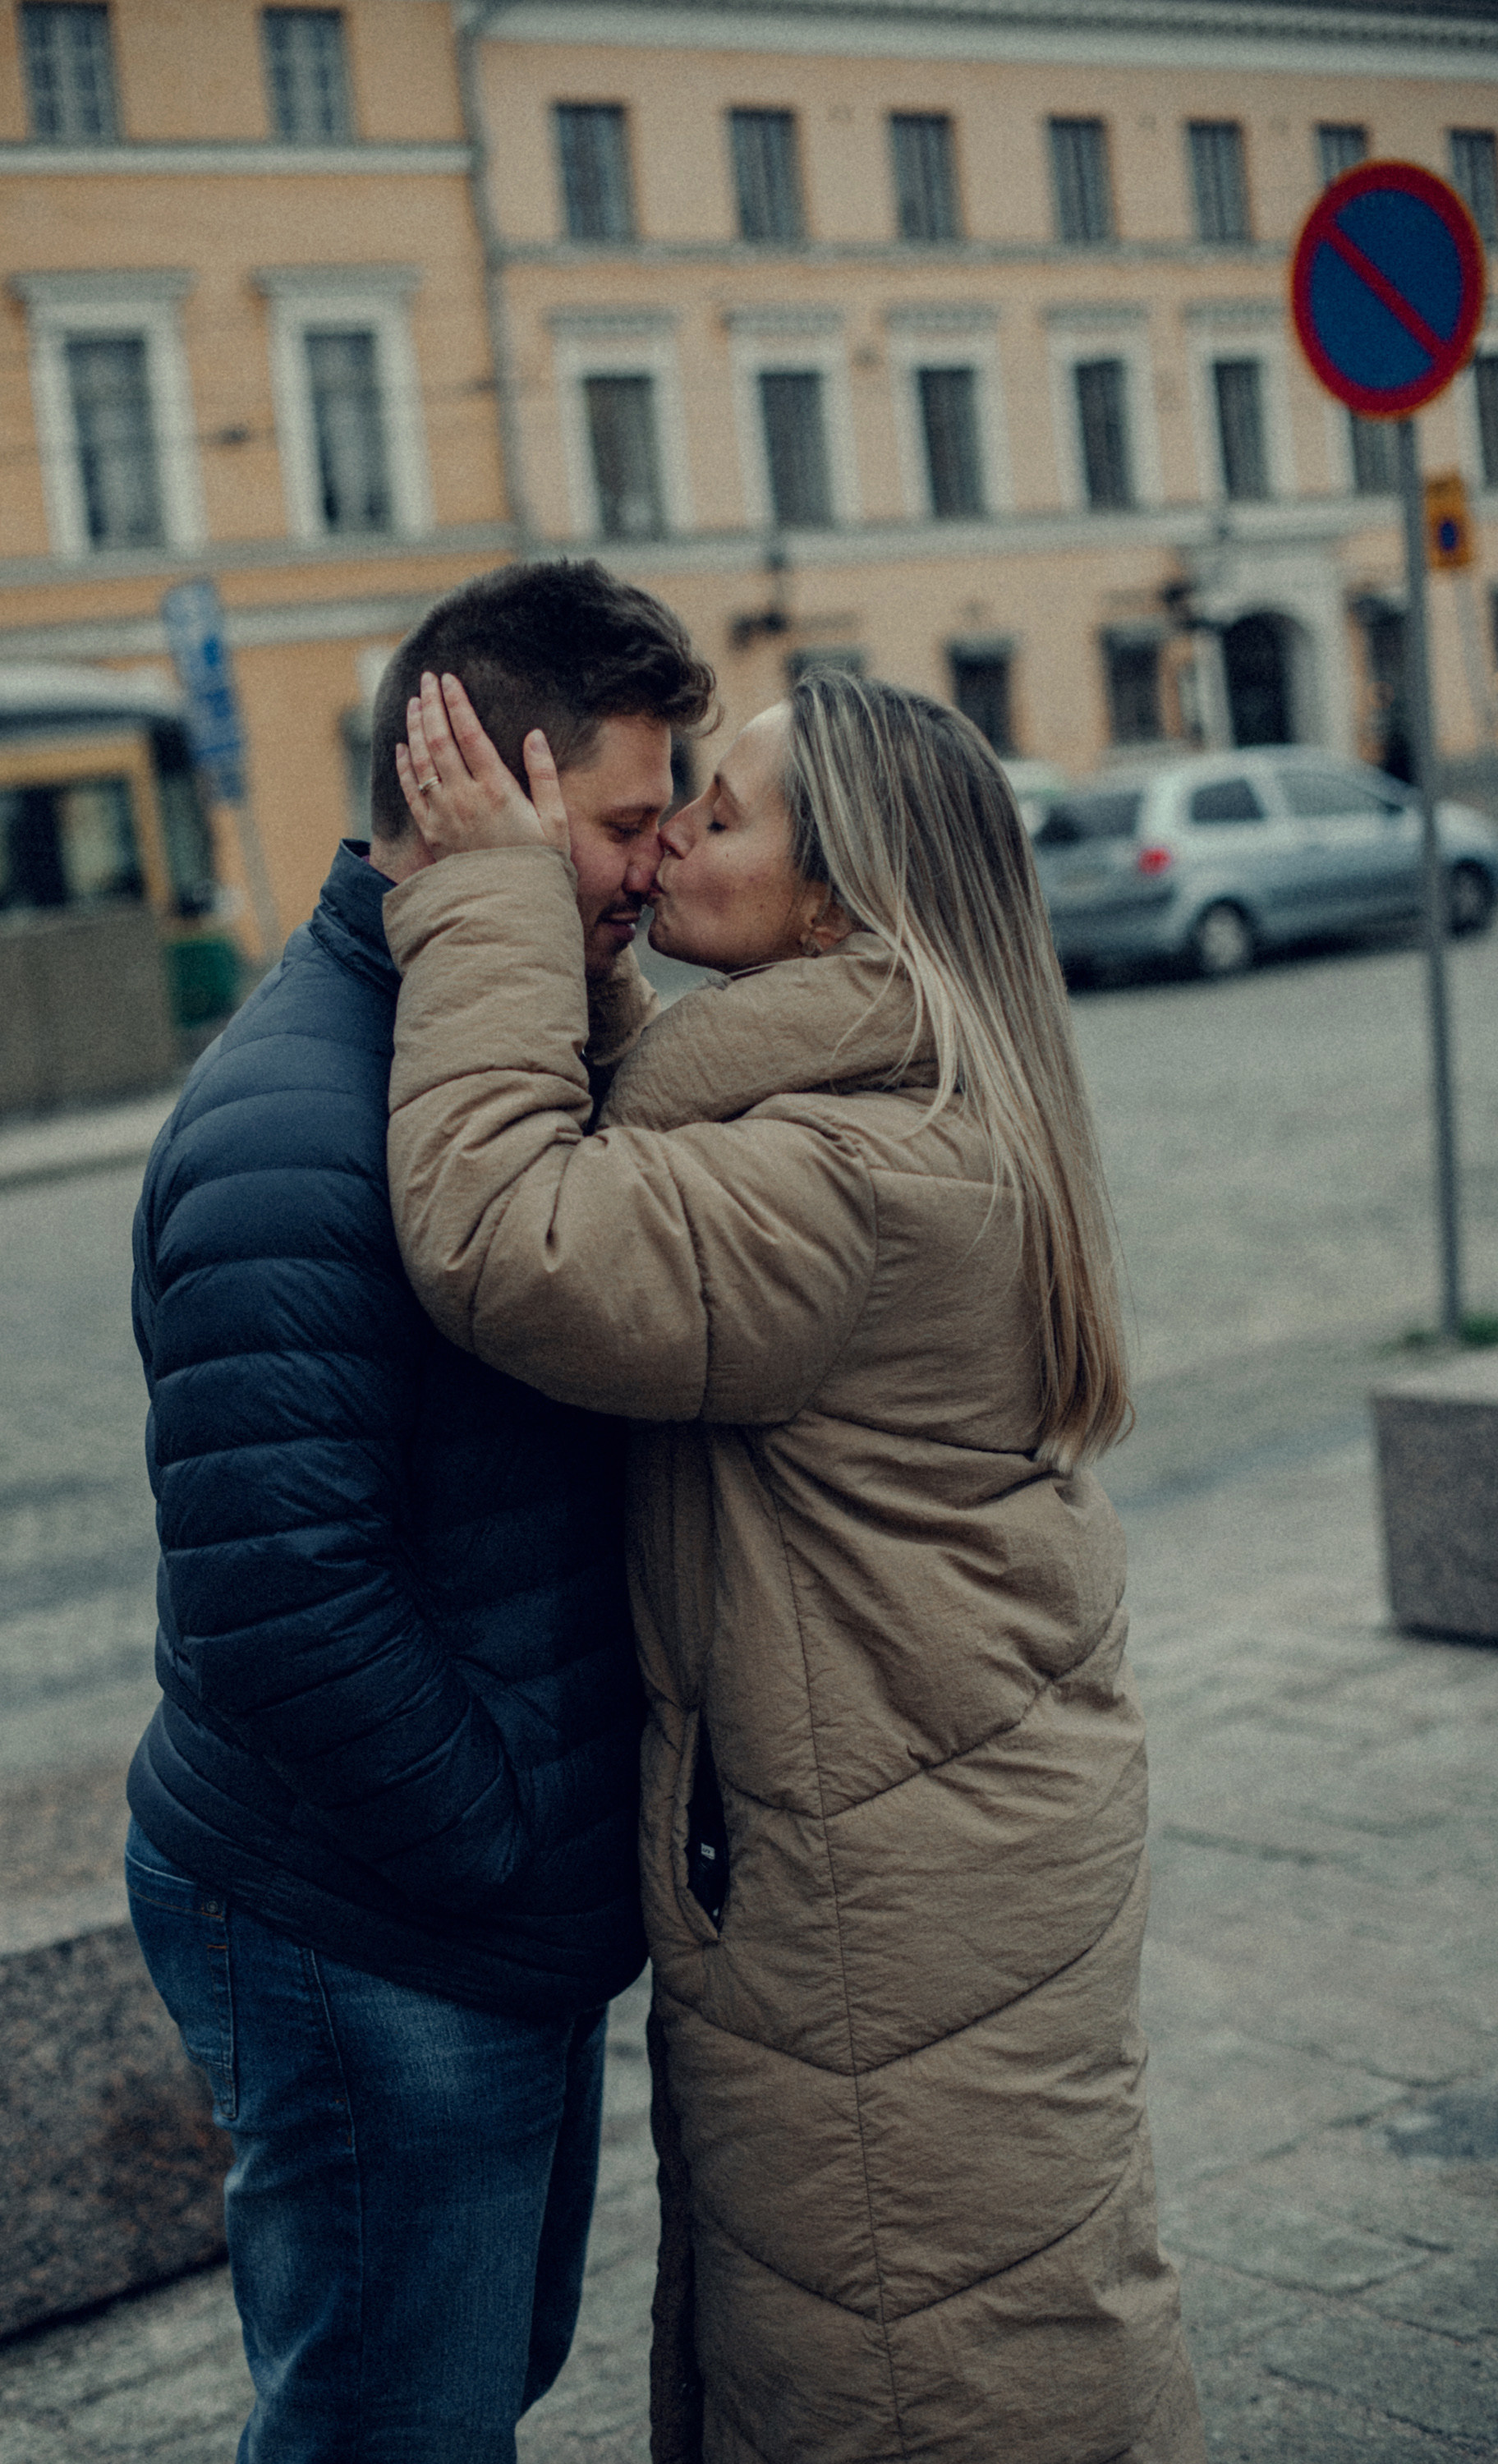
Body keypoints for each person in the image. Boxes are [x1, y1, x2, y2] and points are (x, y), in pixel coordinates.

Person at [379, 667, 1206, 2464]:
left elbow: (508, 1234)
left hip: (891, 1899)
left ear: (836, 901)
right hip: (935, 1844)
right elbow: (646, 1159)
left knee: (913, 2369)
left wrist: (490, 907)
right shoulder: (907, 1093)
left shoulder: (843, 1177)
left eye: (721, 815)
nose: (671, 835)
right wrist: (585, 961)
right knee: (977, 2316)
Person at [124, 559, 715, 2462]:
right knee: (391, 2423)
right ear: (489, 789)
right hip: (372, 1916)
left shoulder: (490, 1052)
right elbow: (282, 1597)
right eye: (628, 822)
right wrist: (496, 1840)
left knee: (463, 2384)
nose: (658, 867)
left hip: (466, 1914)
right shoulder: (299, 1123)